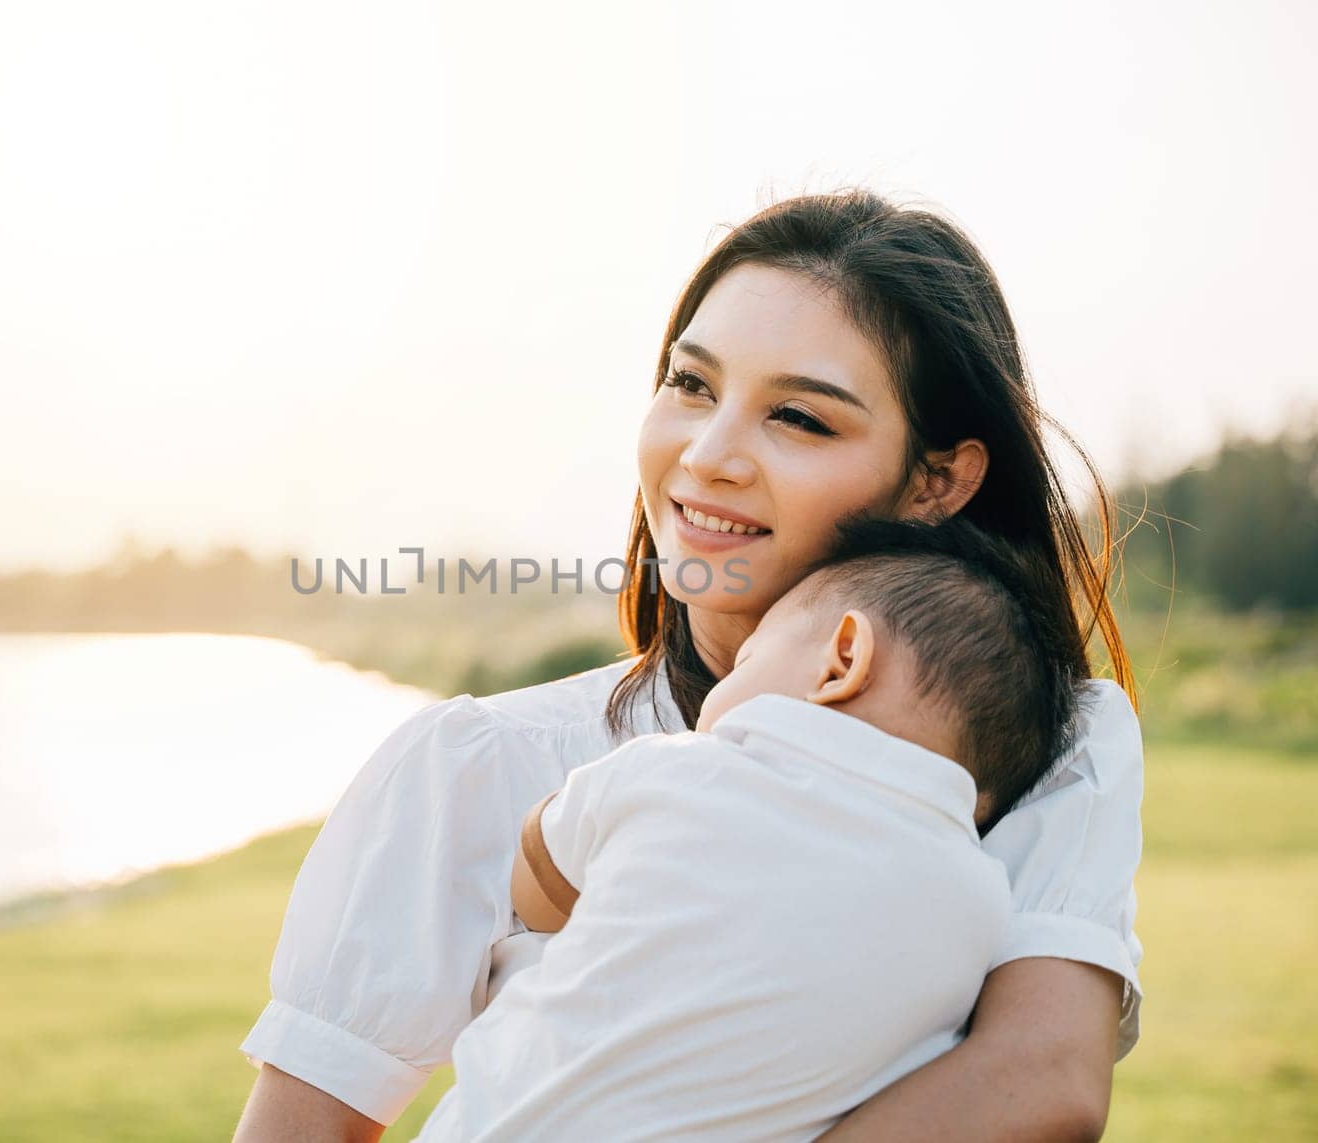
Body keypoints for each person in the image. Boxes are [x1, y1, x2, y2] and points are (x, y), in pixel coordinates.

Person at [230, 190, 1144, 1143]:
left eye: (796, 416)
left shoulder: (1043, 748)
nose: (707, 456)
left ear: (936, 480)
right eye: (691, 384)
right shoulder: (480, 764)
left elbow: (1043, 1082)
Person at [415, 517, 1085, 1141]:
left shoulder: (678, 771)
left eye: (748, 658)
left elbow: (536, 883)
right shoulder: (983, 905)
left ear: (842, 658)